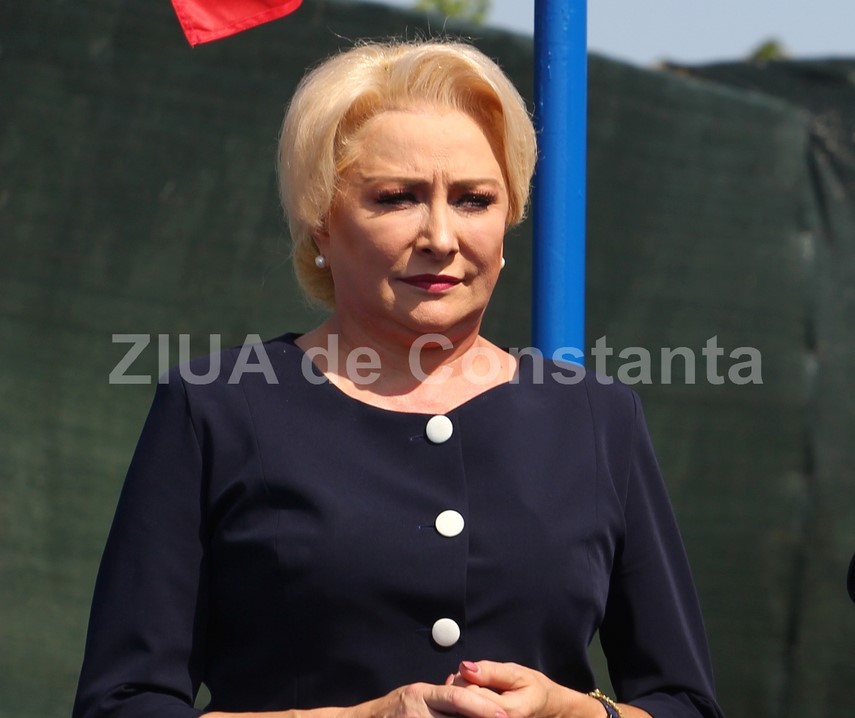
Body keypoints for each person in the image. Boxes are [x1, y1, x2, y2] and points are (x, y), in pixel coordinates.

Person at [73, 39, 723, 718]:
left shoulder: (597, 417)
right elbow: (120, 705)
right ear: (320, 225)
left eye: (473, 200)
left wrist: (573, 712)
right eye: (397, 198)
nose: (440, 236)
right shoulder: (217, 407)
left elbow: (685, 703)